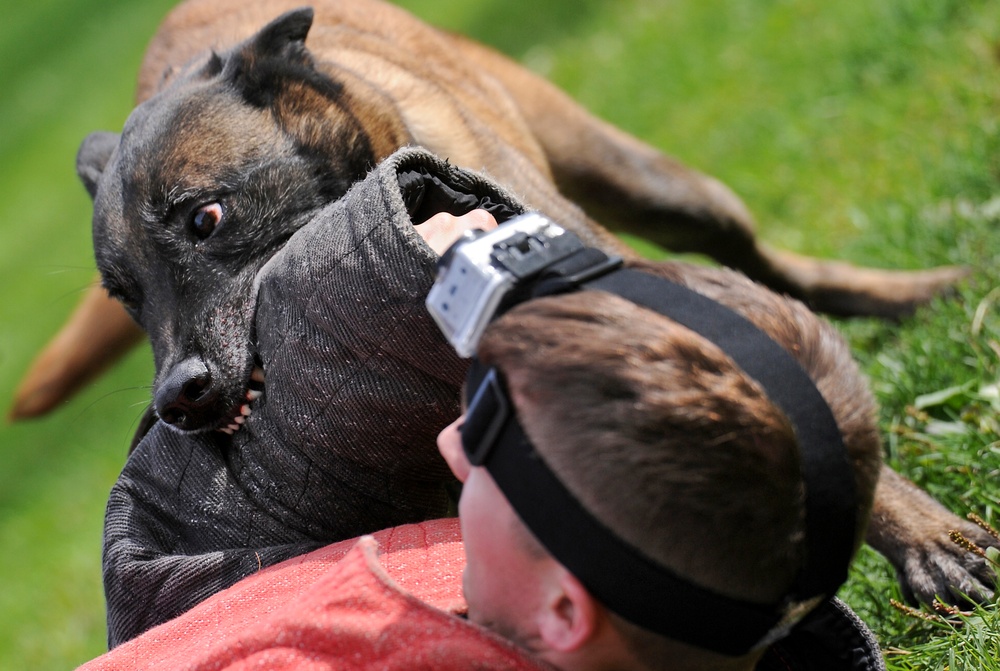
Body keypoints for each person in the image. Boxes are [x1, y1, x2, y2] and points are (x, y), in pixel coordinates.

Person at [79, 148, 885, 668]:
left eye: (490, 436)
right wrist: (401, 266)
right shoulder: (687, 598)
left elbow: (173, 559)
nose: (452, 444)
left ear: (565, 607)